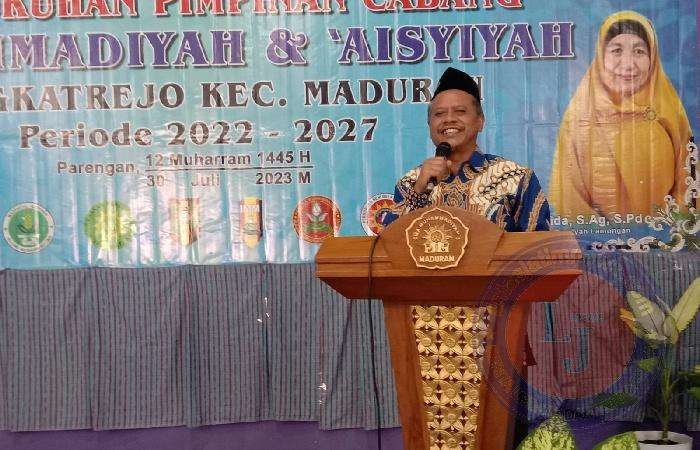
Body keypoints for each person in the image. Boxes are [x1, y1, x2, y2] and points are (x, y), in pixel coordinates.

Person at [548, 10, 693, 218]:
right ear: (601, 56)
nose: (628, 64)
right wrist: (607, 235)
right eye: (616, 51)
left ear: (652, 58)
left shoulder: (670, 112)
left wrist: (663, 230)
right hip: (596, 238)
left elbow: (688, 182)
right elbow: (568, 196)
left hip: (662, 235)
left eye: (639, 51)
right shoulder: (579, 117)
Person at [382, 66, 550, 231]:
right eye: (439, 114)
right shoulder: (410, 182)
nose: (449, 119)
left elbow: (539, 245)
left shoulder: (516, 178)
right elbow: (388, 242)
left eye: (460, 111)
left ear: (480, 121)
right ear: (429, 125)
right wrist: (418, 191)